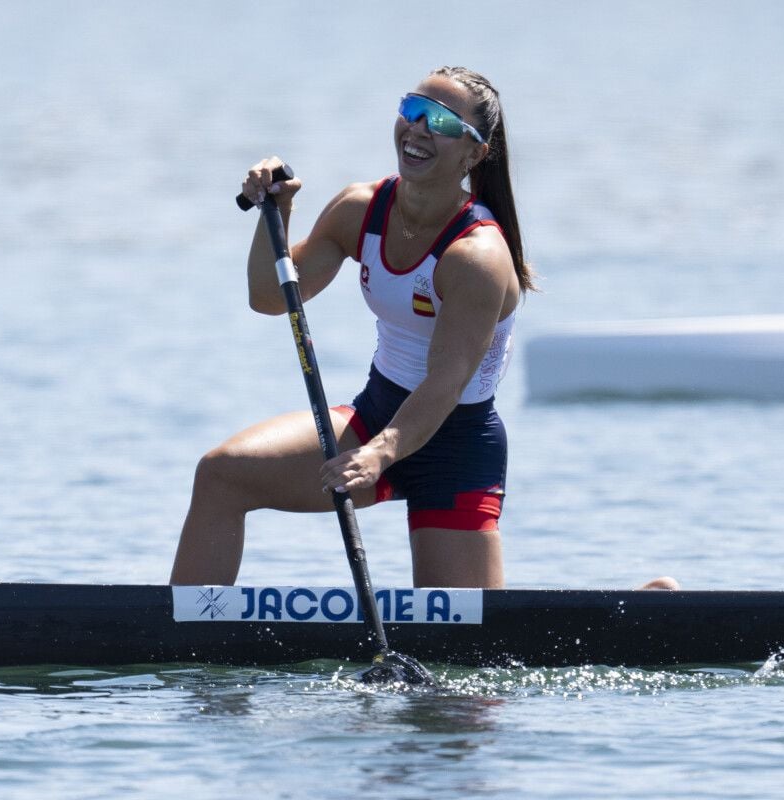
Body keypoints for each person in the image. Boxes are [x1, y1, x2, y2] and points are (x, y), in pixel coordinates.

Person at [169, 66, 677, 591]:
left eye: (440, 121)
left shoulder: (476, 257)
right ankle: (181, 638)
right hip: (374, 416)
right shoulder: (359, 210)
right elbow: (269, 298)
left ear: (473, 154)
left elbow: (446, 382)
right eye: (412, 110)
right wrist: (276, 213)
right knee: (221, 474)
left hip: (454, 447)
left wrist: (380, 455)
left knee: (472, 656)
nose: (418, 129)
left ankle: (634, 609)